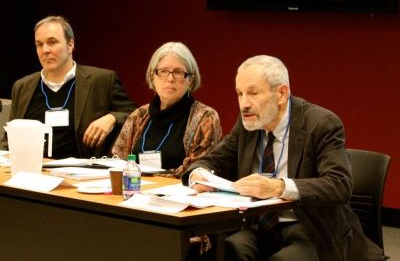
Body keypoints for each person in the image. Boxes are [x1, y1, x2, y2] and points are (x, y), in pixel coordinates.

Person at [182, 55, 367, 260]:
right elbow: (213, 160)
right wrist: (198, 174)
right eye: (239, 94)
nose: (244, 104)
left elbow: (339, 184)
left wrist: (278, 187)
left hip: (309, 228)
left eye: (253, 93)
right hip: (256, 226)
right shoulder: (248, 125)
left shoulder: (321, 124)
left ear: (281, 93)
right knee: (223, 253)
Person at [0, 16, 136, 158]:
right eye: (39, 44)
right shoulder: (22, 86)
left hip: (82, 172)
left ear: (70, 45)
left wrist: (112, 117)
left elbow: (134, 114)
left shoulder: (101, 80)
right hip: (31, 169)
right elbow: (9, 137)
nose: (45, 50)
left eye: (52, 42)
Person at [112, 41, 222, 178]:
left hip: (180, 196)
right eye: (163, 71)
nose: (170, 79)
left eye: (178, 72)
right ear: (153, 76)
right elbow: (118, 162)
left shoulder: (205, 117)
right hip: (135, 191)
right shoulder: (139, 115)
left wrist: (146, 177)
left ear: (191, 80)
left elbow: (196, 171)